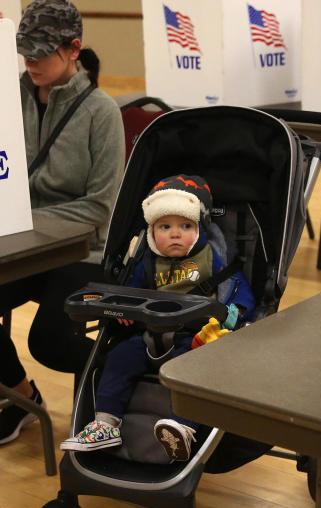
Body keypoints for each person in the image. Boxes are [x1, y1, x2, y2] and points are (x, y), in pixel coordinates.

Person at [0, 0, 125, 447]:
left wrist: (22, 218)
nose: (30, 60)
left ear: (73, 48)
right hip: (23, 245)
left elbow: (99, 209)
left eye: (42, 51)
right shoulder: (12, 97)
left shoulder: (101, 112)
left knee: (49, 341)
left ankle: (130, 370)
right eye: (25, 49)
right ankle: (22, 400)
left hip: (83, 250)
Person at [59, 174, 255, 461]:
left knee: (197, 371)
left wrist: (235, 311)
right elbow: (131, 292)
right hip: (148, 335)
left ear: (199, 228)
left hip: (196, 339)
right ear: (151, 232)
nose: (175, 234)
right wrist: (125, 310)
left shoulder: (213, 257)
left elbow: (238, 286)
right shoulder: (148, 261)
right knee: (119, 358)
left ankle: (183, 431)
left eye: (185, 226)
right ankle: (106, 423)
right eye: (165, 227)